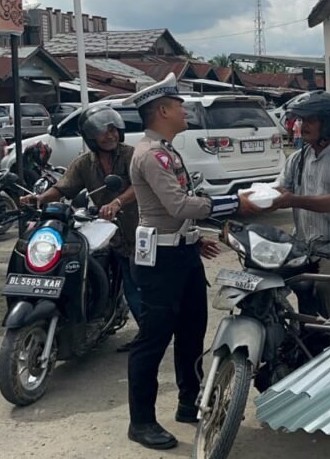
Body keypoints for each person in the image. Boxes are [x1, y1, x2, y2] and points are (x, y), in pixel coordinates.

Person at [122, 73, 260, 450]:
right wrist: (235, 203)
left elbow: (176, 210)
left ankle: (188, 402)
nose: (186, 112)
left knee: (192, 330)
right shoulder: (151, 154)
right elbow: (178, 205)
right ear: (163, 111)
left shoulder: (165, 150)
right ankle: (141, 422)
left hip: (181, 253)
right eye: (179, 106)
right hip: (160, 261)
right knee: (153, 340)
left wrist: (194, 239)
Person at [20, 106, 141, 350]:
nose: (110, 135)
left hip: (139, 229)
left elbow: (140, 184)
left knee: (137, 285)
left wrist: (117, 203)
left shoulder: (132, 156)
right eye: (103, 132)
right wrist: (40, 199)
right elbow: (64, 188)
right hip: (108, 232)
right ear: (90, 136)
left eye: (113, 130)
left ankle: (148, 334)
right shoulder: (84, 163)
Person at [266, 90, 330, 321]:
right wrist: (248, 199)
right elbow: (279, 188)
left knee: (326, 285)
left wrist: (293, 199)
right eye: (302, 119)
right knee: (265, 276)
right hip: (304, 244)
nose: (303, 125)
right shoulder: (297, 158)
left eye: (310, 120)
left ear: (328, 124)